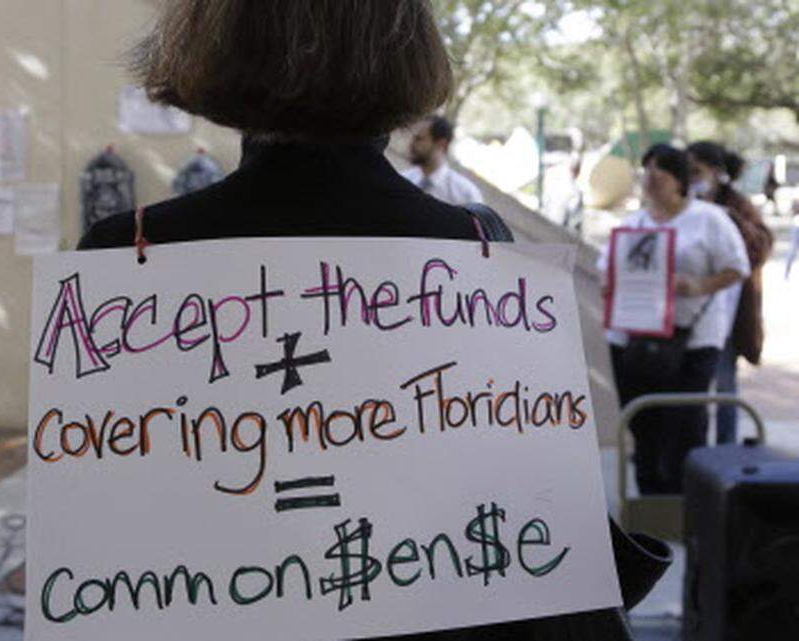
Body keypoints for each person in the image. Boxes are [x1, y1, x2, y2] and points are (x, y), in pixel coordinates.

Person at [81, 1, 667, 639]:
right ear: (408, 54)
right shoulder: (478, 252)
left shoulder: (125, 254)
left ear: (212, 45)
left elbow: (113, 518)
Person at [601, 144, 750, 495]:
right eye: (647, 169)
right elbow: (605, 270)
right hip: (633, 341)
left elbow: (738, 267)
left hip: (691, 342)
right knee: (644, 425)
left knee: (685, 426)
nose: (652, 177)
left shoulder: (709, 219)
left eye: (662, 170)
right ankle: (649, 504)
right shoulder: (633, 225)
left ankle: (687, 505)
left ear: (680, 180)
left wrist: (698, 285)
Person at [687, 141, 773, 444]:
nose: (691, 177)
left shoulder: (737, 206)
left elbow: (760, 248)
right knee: (691, 390)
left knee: (725, 386)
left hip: (727, 314)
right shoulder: (681, 203)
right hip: (687, 315)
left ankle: (726, 450)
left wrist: (730, 220)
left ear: (716, 171)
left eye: (696, 170)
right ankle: (693, 451)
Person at [399, 115, 484, 206]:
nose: (411, 144)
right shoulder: (404, 179)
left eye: (419, 139)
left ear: (441, 144)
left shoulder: (466, 195)